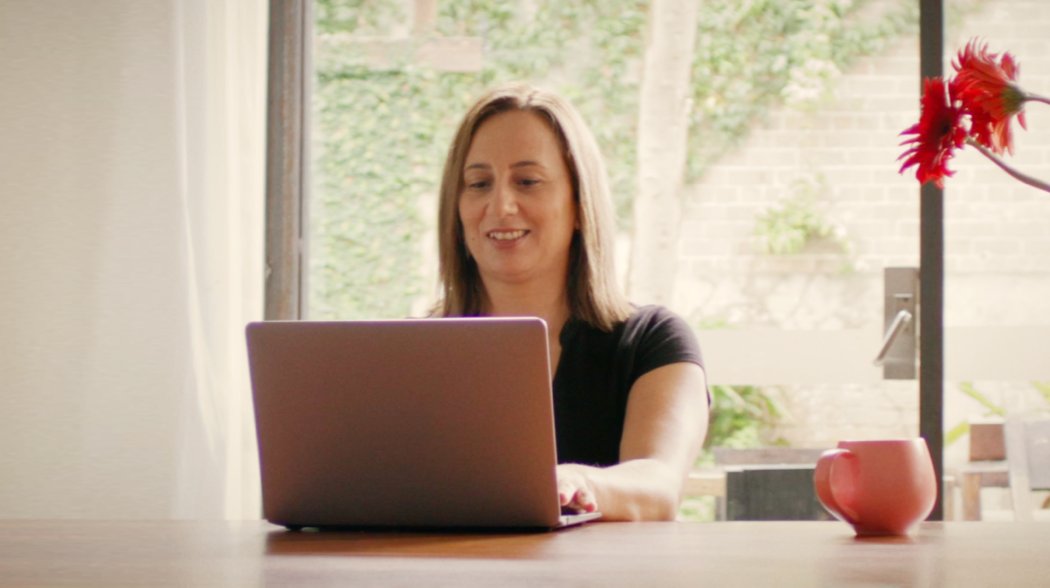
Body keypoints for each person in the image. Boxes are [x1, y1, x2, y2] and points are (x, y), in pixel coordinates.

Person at [434, 83, 709, 521]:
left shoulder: (653, 343)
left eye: (528, 181)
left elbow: (659, 487)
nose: (501, 205)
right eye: (478, 183)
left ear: (580, 205)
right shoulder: (413, 350)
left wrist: (580, 482)